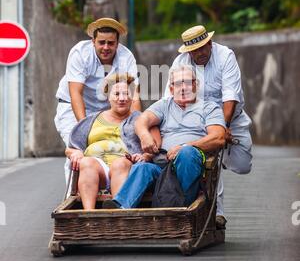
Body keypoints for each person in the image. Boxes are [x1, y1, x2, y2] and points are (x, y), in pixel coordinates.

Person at [165, 25, 253, 228]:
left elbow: (230, 96)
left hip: (231, 118)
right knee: (210, 159)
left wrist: (223, 126)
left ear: (210, 43)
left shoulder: (225, 56)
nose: (200, 53)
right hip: (197, 121)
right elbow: (170, 98)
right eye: (195, 50)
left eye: (203, 47)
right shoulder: (179, 63)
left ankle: (221, 157)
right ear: (187, 51)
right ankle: (217, 213)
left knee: (243, 165)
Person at [103, 65, 225, 210]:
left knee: (187, 153)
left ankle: (179, 209)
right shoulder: (164, 105)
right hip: (162, 164)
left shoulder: (209, 108)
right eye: (178, 84)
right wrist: (144, 136)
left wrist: (186, 146)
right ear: (172, 88)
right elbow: (141, 121)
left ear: (195, 85)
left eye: (187, 82)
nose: (183, 87)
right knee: (143, 168)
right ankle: (120, 209)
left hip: (189, 164)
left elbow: (219, 137)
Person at [54, 17, 141, 187]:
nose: (106, 47)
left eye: (111, 43)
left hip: (107, 109)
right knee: (77, 150)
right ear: (92, 41)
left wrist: (138, 128)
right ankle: (73, 197)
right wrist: (85, 129)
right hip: (73, 107)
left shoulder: (126, 57)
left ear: (117, 43)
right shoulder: (80, 53)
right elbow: (75, 93)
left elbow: (134, 96)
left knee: (119, 148)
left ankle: (110, 190)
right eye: (101, 42)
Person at [66, 74, 160, 210]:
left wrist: (144, 156)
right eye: (116, 94)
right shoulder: (92, 120)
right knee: (86, 162)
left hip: (126, 169)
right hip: (98, 171)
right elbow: (70, 148)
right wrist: (76, 153)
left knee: (119, 163)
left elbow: (155, 144)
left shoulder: (141, 119)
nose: (122, 98)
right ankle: (89, 215)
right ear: (108, 96)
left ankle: (117, 212)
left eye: (126, 94)